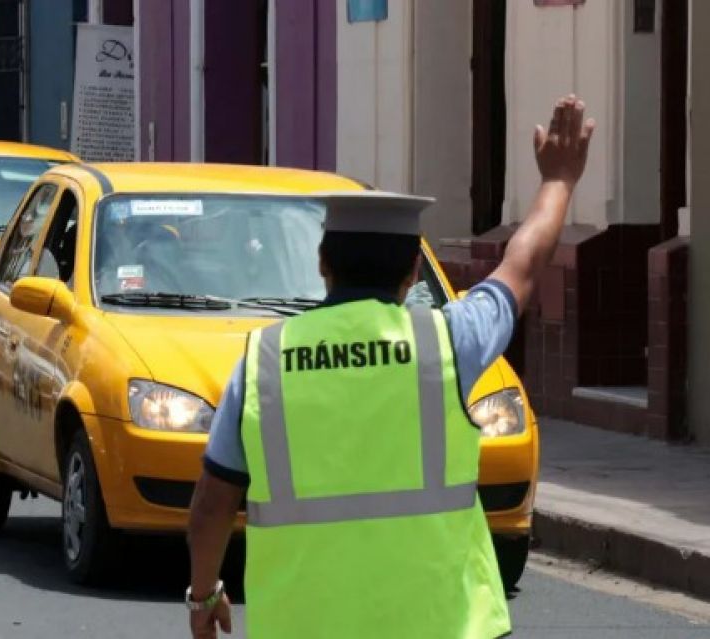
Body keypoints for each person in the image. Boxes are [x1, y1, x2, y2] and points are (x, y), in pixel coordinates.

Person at [186, 95, 595, 639]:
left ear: (323, 264)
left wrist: (203, 593)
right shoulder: (450, 339)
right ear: (410, 275)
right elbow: (521, 266)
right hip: (443, 625)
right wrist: (559, 181)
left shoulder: (261, 361)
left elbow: (212, 504)